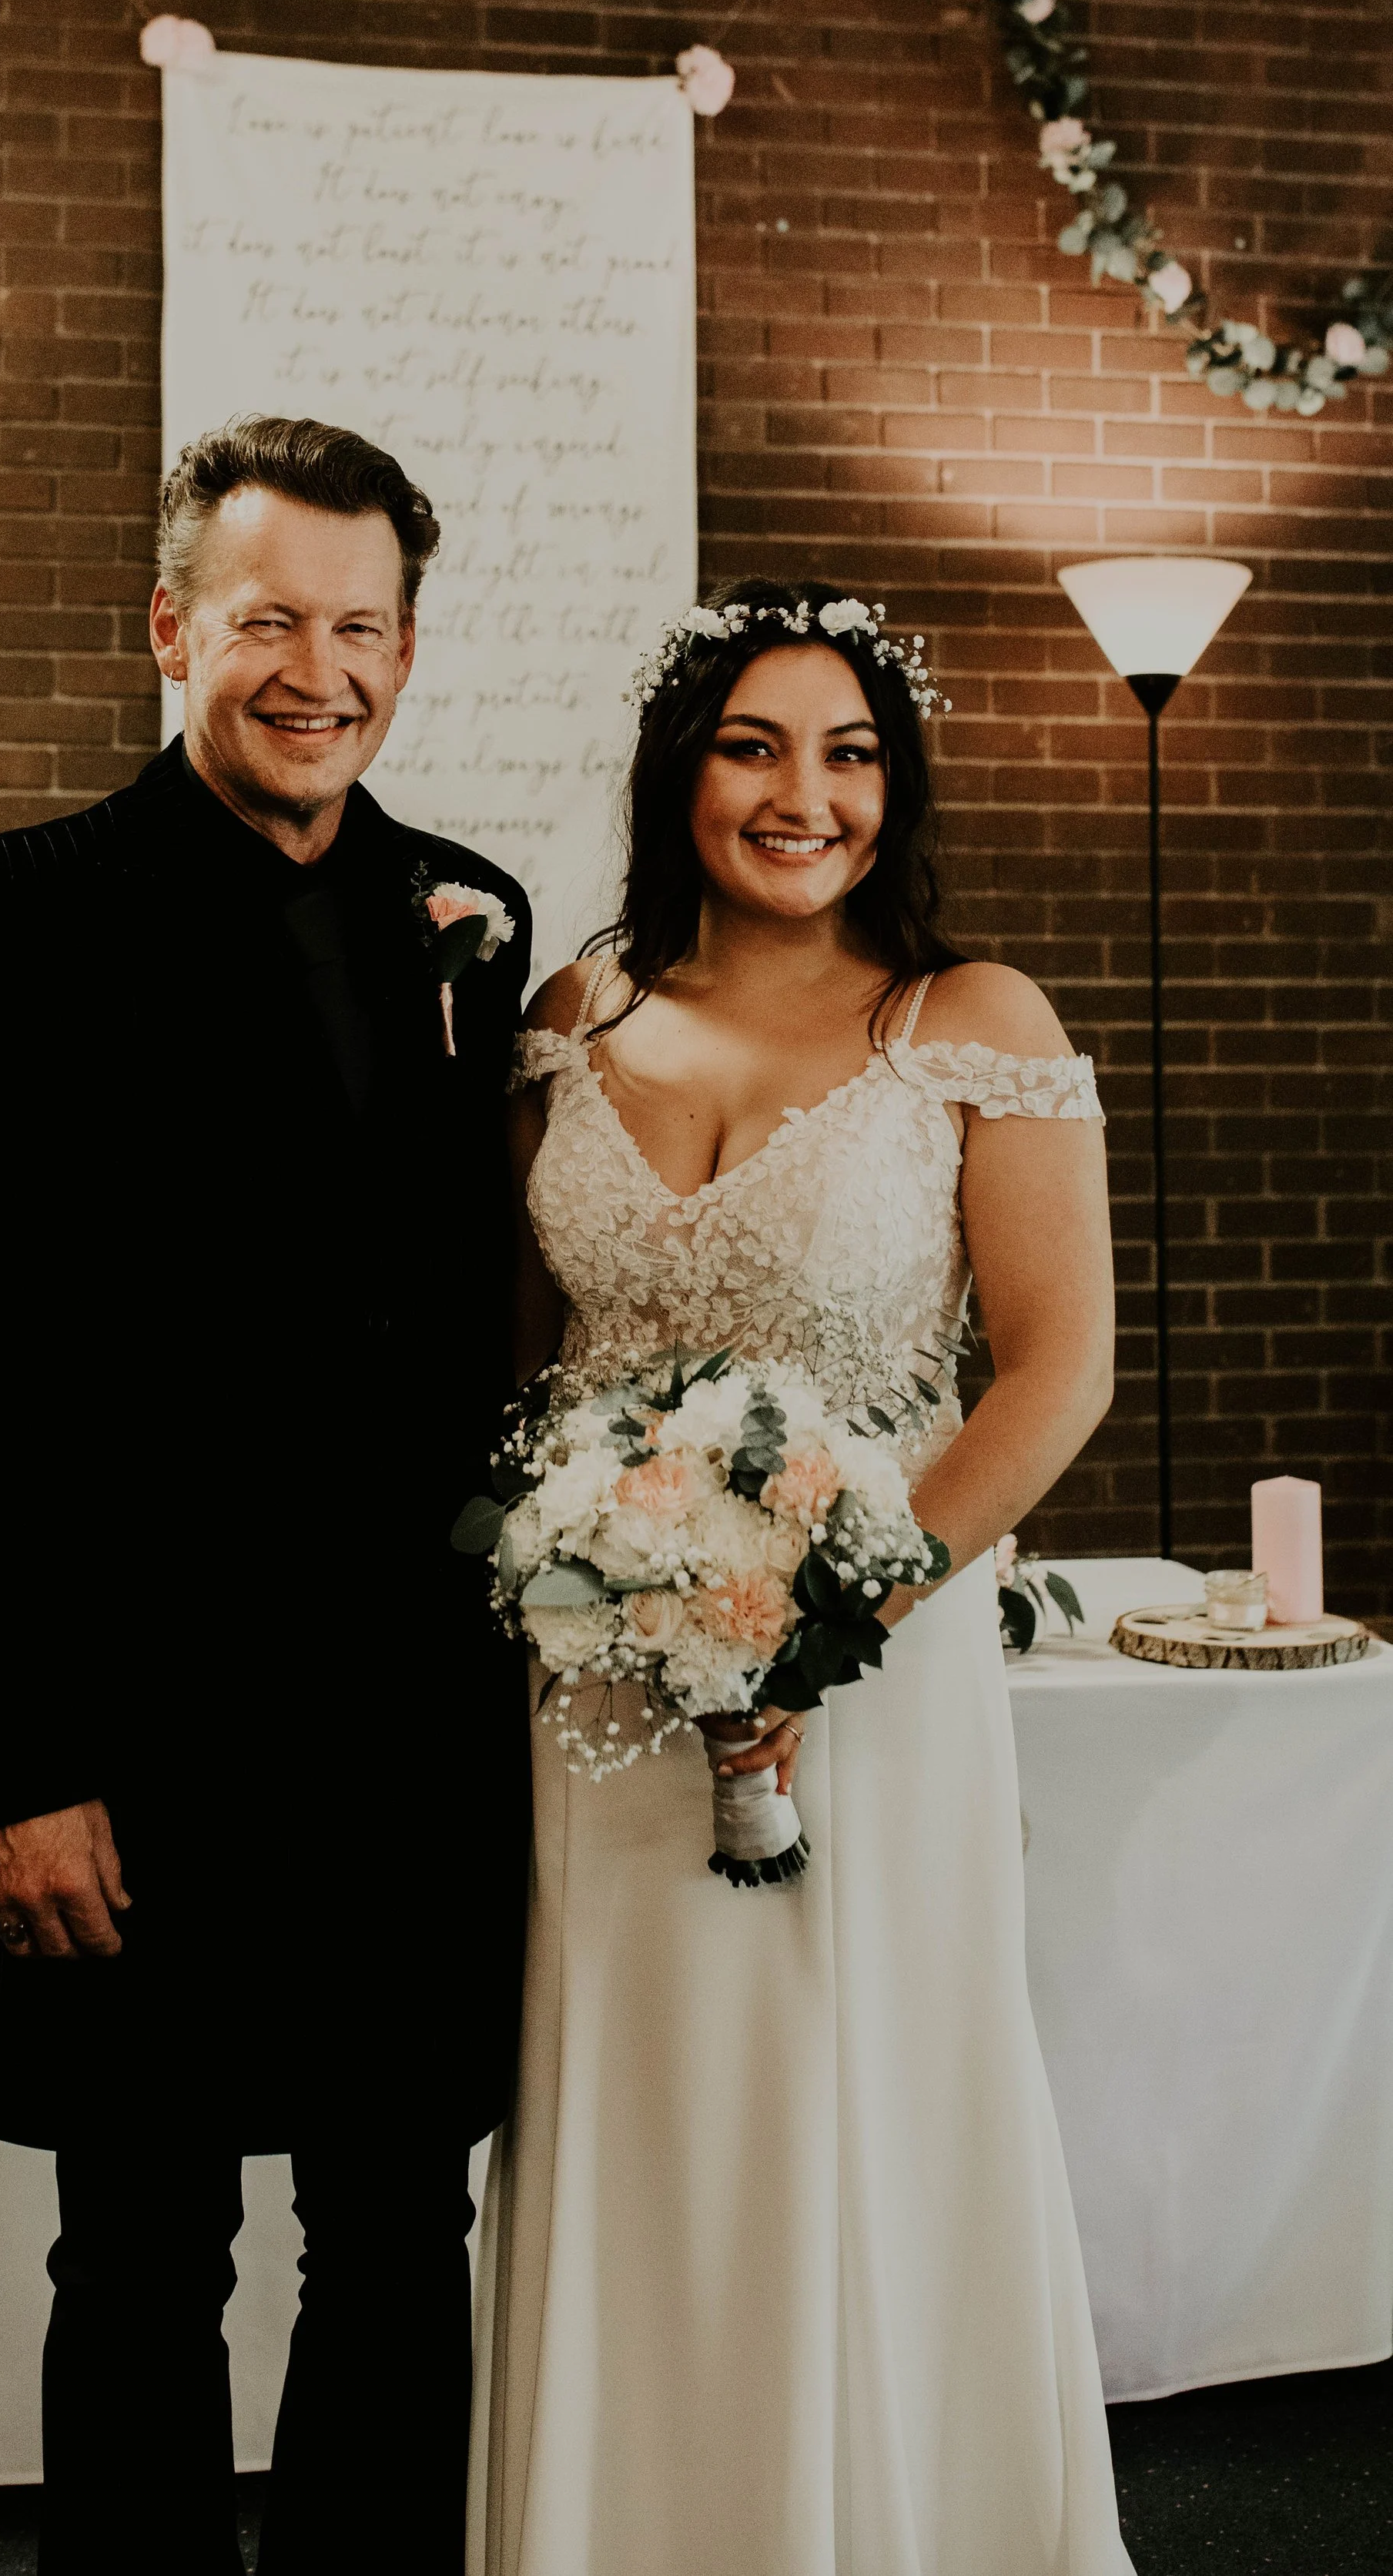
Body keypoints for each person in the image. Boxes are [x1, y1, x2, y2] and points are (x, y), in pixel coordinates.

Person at [0, 416, 533, 2576]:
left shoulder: (475, 918)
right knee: (139, 2248)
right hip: (131, 1736)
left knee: (397, 2231)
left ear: (407, 653)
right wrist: (4, 1763)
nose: (312, 666)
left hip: (405, 1738)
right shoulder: (25, 909)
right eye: (268, 618)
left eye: (358, 626)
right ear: (174, 628)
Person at [470, 580, 1132, 2575]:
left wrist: (830, 1610)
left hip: (864, 1675)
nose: (800, 793)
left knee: (854, 2106)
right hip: (598, 1683)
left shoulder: (969, 1025)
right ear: (684, 770)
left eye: (845, 751)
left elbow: (1053, 1371)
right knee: (640, 2109)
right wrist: (574, 1564)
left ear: (892, 783)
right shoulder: (568, 1019)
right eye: (754, 745)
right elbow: (518, 1368)